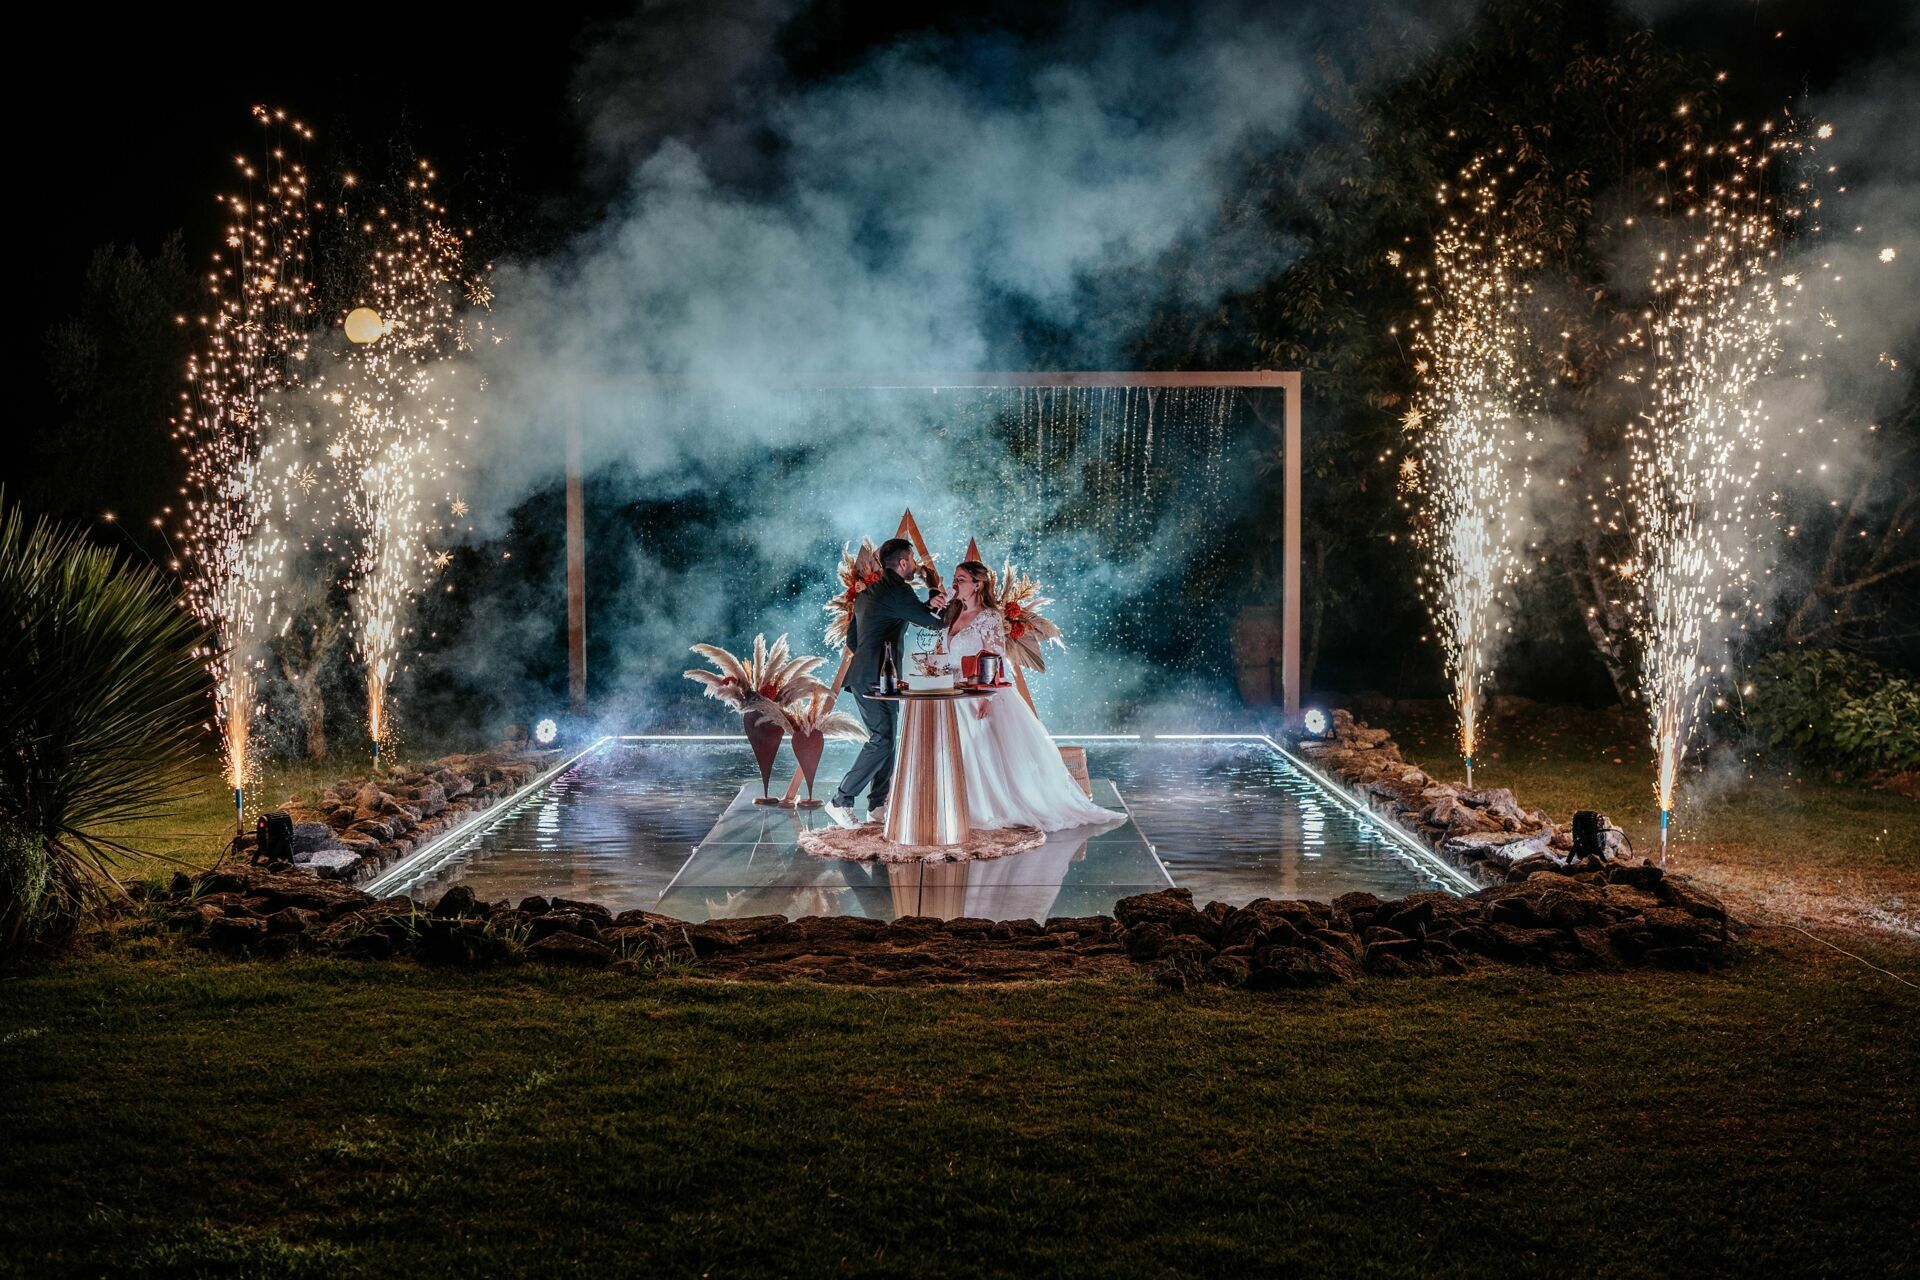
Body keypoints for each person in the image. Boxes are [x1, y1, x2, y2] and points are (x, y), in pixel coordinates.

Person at [942, 560, 1120, 830]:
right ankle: (954, 804)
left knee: (984, 753)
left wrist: (985, 696)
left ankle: (987, 807)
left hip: (978, 692)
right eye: (954, 578)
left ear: (978, 585)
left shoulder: (989, 616)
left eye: (961, 579)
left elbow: (995, 655)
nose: (955, 583)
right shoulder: (953, 612)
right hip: (952, 692)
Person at [824, 538, 946, 828]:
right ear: (903, 563)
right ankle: (840, 800)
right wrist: (934, 594)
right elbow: (934, 624)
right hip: (874, 679)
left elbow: (853, 640)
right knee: (882, 740)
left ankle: (877, 806)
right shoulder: (898, 591)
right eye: (913, 560)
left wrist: (925, 605)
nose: (915, 565)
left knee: (888, 740)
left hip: (875, 676)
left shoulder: (868, 594)